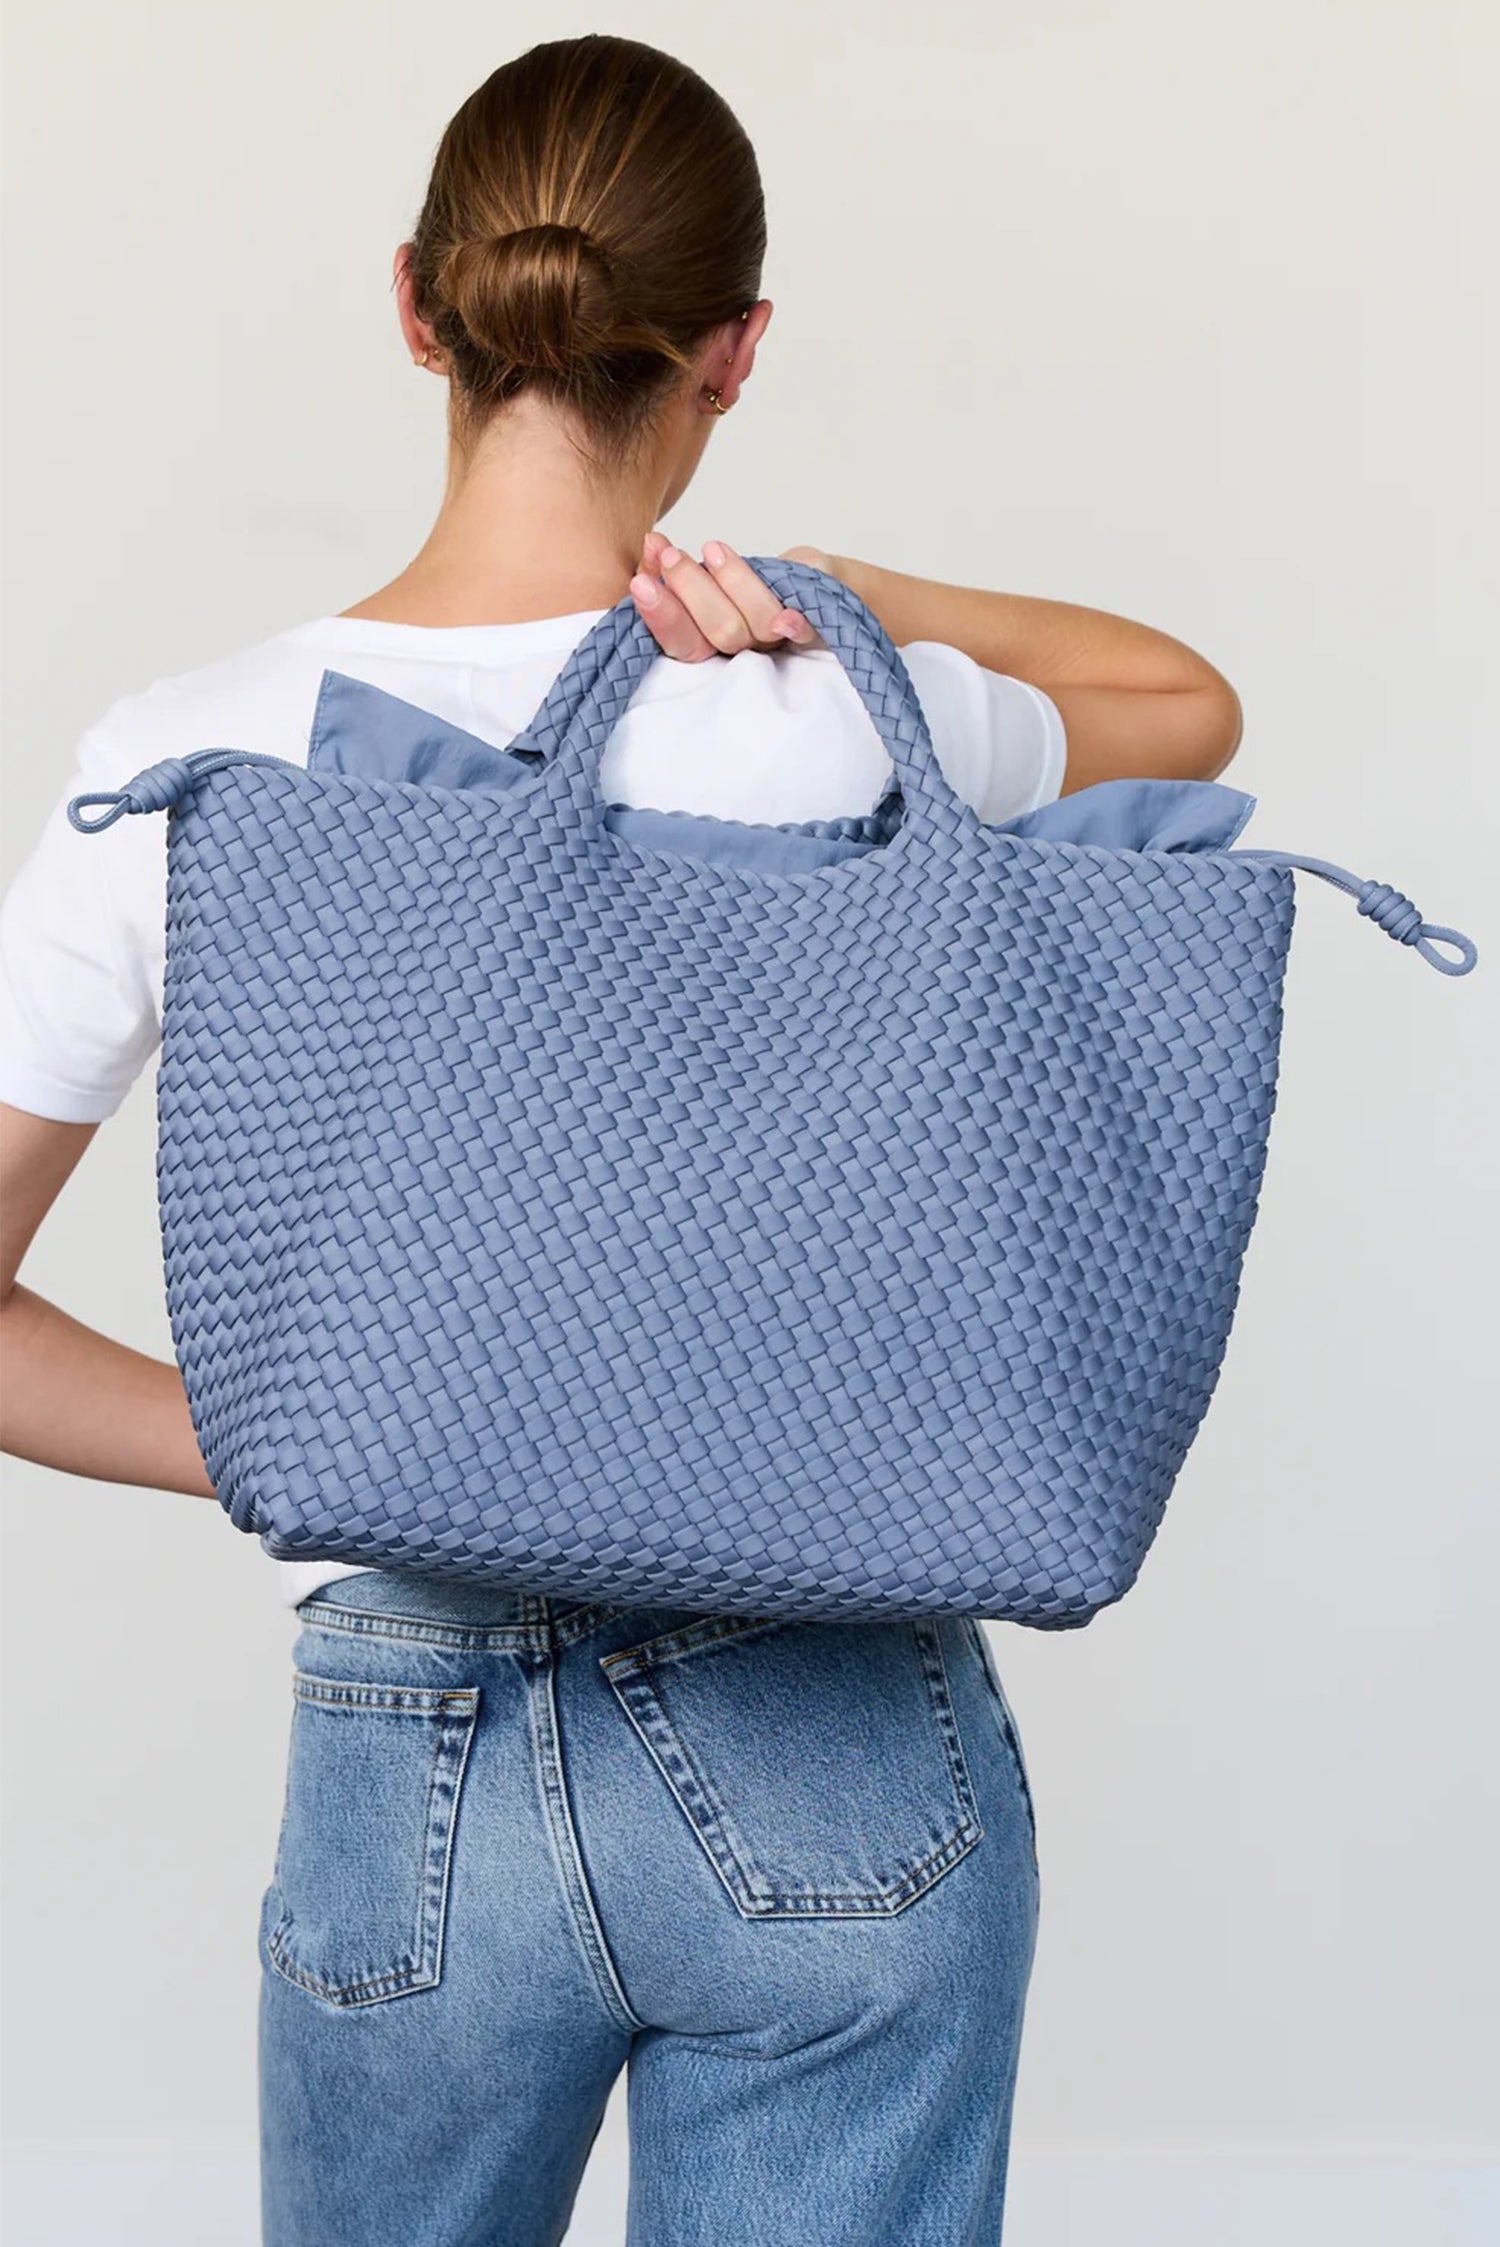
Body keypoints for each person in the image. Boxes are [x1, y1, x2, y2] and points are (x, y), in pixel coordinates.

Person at [0, 34, 1243, 2246]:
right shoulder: (849, 715)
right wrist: (858, 595)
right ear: (736, 350)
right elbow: (1187, 705)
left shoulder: (195, 761)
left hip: (414, 1743)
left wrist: (329, 1433)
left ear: (418, 304)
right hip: (835, 1737)